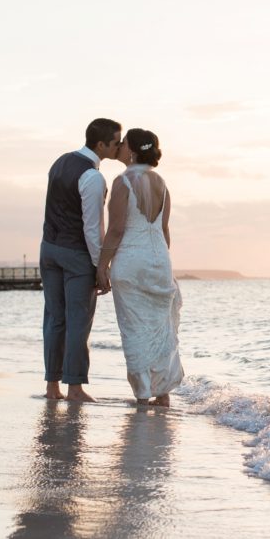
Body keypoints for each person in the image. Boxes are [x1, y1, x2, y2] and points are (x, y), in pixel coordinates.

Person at [97, 128, 184, 406]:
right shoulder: (162, 183)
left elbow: (116, 230)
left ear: (131, 151)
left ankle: (143, 395)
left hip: (131, 263)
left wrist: (102, 266)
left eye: (123, 144)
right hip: (159, 260)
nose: (119, 147)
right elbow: (165, 231)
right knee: (160, 329)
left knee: (135, 328)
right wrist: (161, 264)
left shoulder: (123, 182)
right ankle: (163, 393)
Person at [40, 118, 121, 403]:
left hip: (48, 248)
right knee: (78, 321)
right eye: (115, 142)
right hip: (76, 254)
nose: (119, 146)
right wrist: (101, 267)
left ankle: (52, 387)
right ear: (101, 145)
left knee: (53, 319)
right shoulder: (93, 177)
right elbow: (92, 227)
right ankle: (74, 388)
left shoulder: (60, 162)